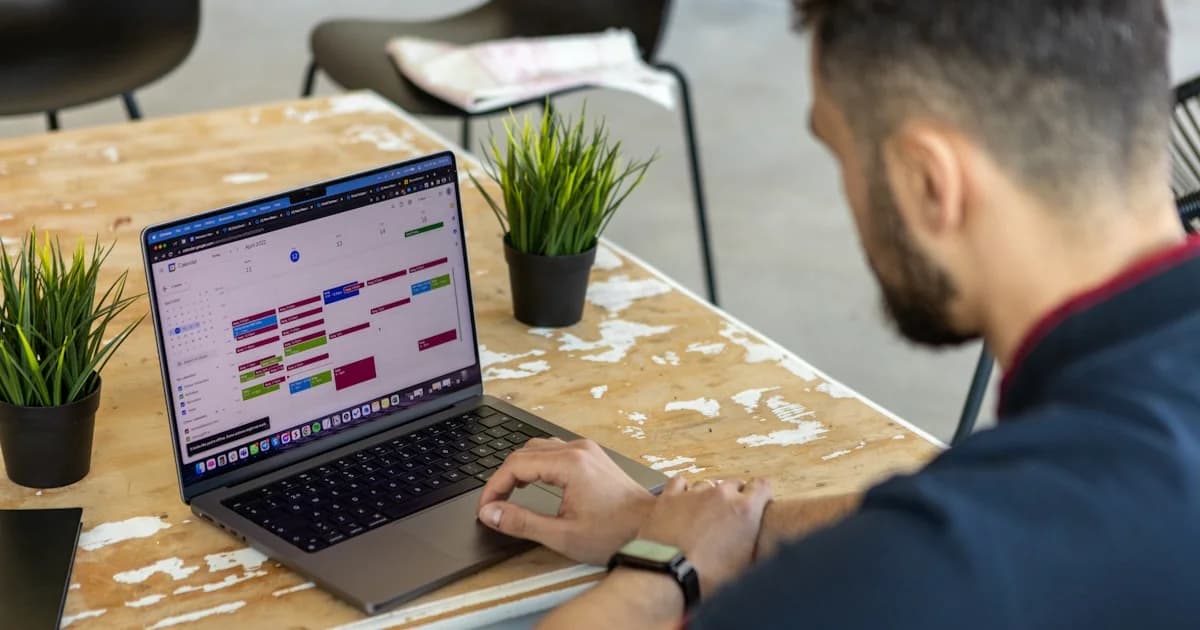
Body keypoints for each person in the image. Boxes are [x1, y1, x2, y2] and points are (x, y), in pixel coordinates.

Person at [476, 1, 1200, 627]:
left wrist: (662, 563)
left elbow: (943, 543)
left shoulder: (916, 581)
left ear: (928, 181)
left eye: (840, 149)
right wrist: (670, 521)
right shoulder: (1102, 450)